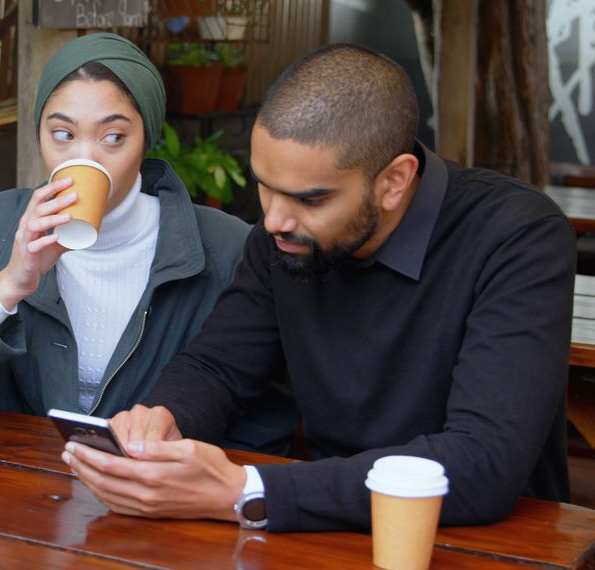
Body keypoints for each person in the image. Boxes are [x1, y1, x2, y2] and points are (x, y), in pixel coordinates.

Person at [62, 43, 575, 532]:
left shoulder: (517, 236)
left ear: (394, 181)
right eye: (264, 184)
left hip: (493, 539)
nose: (274, 219)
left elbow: (483, 462)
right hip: (326, 526)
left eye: (310, 199)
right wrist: (163, 420)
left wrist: (245, 491)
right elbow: (218, 366)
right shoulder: (283, 238)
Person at [0, 33, 290, 443]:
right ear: (40, 136)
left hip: (149, 506)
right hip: (3, 499)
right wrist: (6, 286)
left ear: (146, 140)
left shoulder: (224, 248)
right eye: (62, 135)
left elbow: (266, 417)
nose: (84, 157)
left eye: (113, 137)